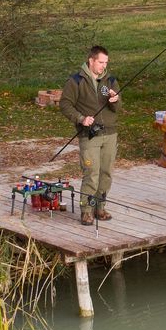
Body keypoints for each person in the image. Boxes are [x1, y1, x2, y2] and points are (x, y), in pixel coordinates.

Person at [62, 44, 120, 225]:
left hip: (110, 134)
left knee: (106, 173)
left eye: (106, 62)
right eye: (101, 62)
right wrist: (80, 118)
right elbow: (65, 104)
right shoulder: (76, 81)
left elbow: (118, 108)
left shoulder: (110, 80)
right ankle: (86, 211)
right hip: (89, 135)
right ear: (91, 60)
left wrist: (115, 100)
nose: (104, 66)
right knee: (91, 173)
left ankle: (99, 208)